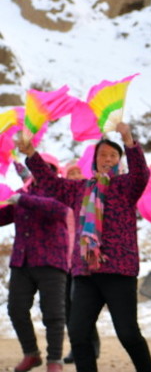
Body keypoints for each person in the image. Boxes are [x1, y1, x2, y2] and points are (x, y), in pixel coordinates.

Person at [17, 122, 151, 372]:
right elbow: (51, 183)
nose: (108, 159)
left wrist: (128, 139)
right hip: (85, 273)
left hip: (118, 272)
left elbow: (141, 174)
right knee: (79, 334)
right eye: (103, 154)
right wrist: (31, 154)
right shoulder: (79, 189)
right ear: (94, 160)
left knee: (128, 334)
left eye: (113, 155)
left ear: (119, 161)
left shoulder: (125, 187)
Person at [1, 158, 71, 372]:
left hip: (52, 260)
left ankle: (54, 360)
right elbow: (5, 216)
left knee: (53, 314)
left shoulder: (62, 191)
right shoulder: (24, 193)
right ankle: (31, 353)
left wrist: (21, 198)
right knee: (16, 309)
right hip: (22, 261)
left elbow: (58, 210)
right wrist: (13, 199)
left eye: (46, 169)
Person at [59, 159, 102, 365]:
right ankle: (76, 346)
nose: (74, 177)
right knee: (66, 307)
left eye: (77, 173)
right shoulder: (60, 198)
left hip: (81, 259)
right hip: (61, 260)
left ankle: (91, 343)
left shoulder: (88, 197)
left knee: (79, 305)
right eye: (70, 174)